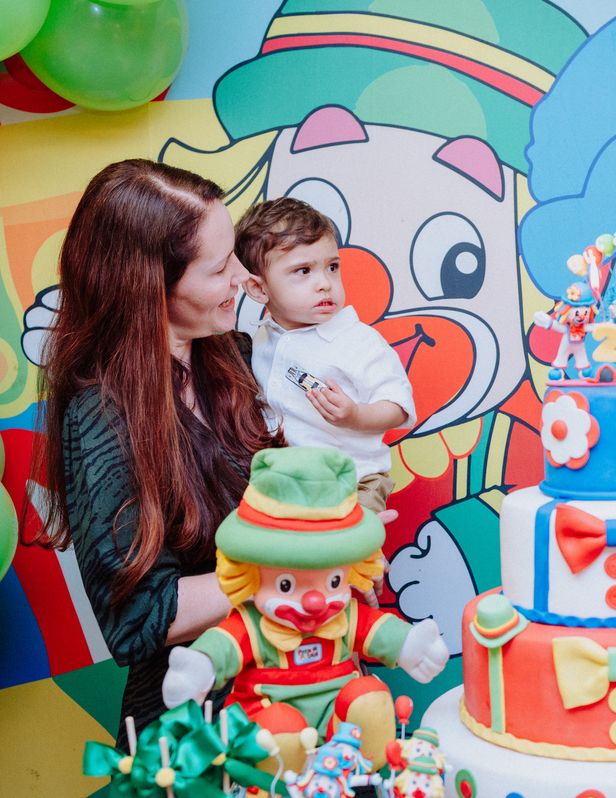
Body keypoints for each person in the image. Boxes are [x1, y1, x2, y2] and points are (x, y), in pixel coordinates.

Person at [32, 159, 286, 747]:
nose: (242, 280)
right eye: (221, 268)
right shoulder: (102, 418)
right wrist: (292, 564)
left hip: (291, 696)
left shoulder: (232, 354)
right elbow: (137, 618)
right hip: (192, 734)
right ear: (150, 286)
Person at [235, 198, 415, 517]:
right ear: (258, 289)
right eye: (303, 271)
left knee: (351, 550)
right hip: (290, 486)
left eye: (332, 267)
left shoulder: (357, 340)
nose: (325, 283)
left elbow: (398, 407)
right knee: (294, 558)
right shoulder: (262, 339)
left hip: (354, 482)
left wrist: (356, 415)